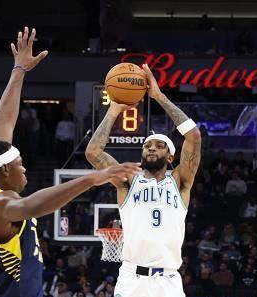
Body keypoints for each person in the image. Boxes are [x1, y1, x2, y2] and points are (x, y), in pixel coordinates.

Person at [0, 27, 141, 297]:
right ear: (4, 169)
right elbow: (32, 205)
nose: (24, 167)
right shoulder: (0, 203)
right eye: (20, 163)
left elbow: (3, 122)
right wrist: (91, 178)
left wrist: (19, 70)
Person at [86, 63, 202, 297]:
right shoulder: (128, 179)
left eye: (159, 146)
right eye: (147, 145)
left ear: (170, 156)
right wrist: (113, 110)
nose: (151, 148)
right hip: (131, 279)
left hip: (168, 280)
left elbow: (193, 136)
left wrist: (158, 96)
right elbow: (93, 153)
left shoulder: (180, 182)